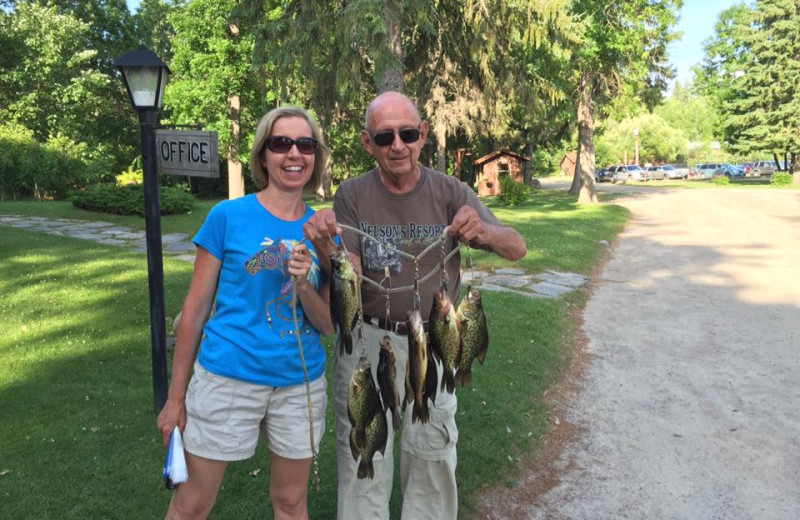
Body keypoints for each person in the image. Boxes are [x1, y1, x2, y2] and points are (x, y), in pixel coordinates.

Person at [304, 91, 526, 520]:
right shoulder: (351, 195)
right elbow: (347, 267)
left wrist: (481, 232)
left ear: (422, 135)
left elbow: (516, 247)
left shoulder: (449, 190)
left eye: (407, 133)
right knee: (363, 461)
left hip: (435, 339)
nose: (398, 146)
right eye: (384, 137)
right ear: (368, 143)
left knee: (431, 457)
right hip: (368, 341)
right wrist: (327, 248)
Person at [156, 106, 334, 520]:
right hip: (227, 377)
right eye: (281, 143)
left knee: (291, 504)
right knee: (191, 506)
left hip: (299, 385)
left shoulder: (324, 231)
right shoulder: (227, 216)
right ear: (263, 155)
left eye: (305, 144)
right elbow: (196, 311)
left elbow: (326, 323)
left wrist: (305, 281)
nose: (294, 154)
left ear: (315, 156)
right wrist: (175, 398)